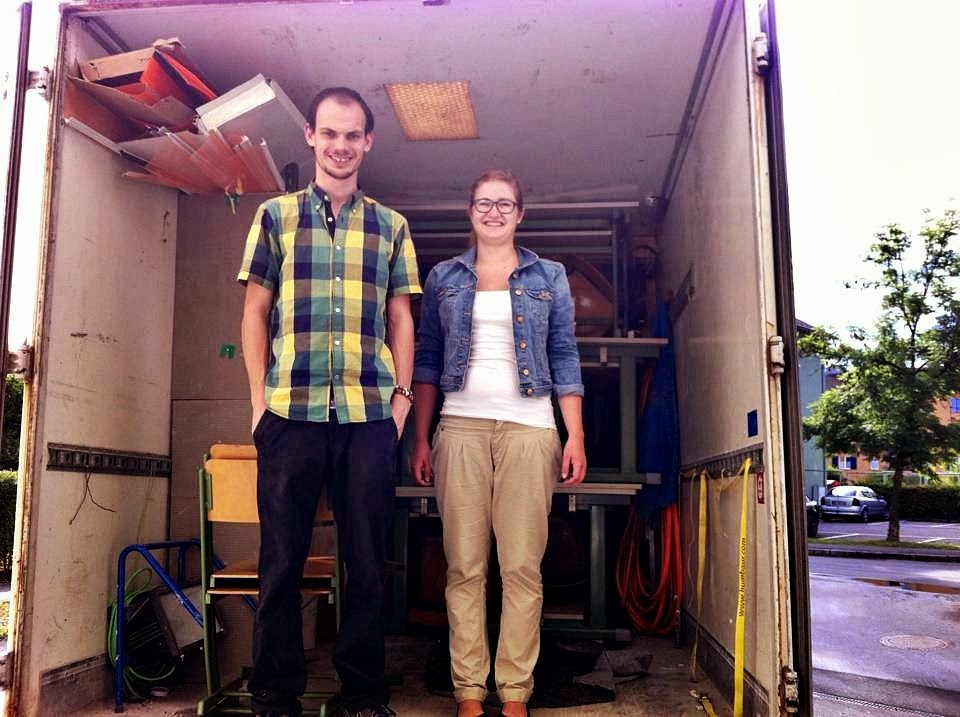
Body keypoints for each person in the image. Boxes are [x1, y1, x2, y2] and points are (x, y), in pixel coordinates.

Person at [238, 86, 421, 717]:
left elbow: (402, 318)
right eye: (330, 133)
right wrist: (259, 401)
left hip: (369, 416)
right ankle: (274, 696)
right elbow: (255, 312)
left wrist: (400, 403)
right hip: (290, 413)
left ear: (368, 141)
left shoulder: (392, 227)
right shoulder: (274, 216)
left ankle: (363, 695)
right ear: (311, 137)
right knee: (282, 561)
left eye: (352, 135)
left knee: (366, 563)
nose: (340, 146)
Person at [410, 169, 587, 717]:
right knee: (464, 567)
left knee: (521, 568)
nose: (494, 212)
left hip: (530, 429)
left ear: (520, 213)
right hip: (459, 427)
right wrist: (421, 437)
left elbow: (564, 354)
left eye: (504, 204)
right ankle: (469, 690)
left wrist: (574, 435)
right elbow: (428, 359)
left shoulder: (549, 275)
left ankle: (514, 692)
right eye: (484, 203)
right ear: (470, 211)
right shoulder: (444, 276)